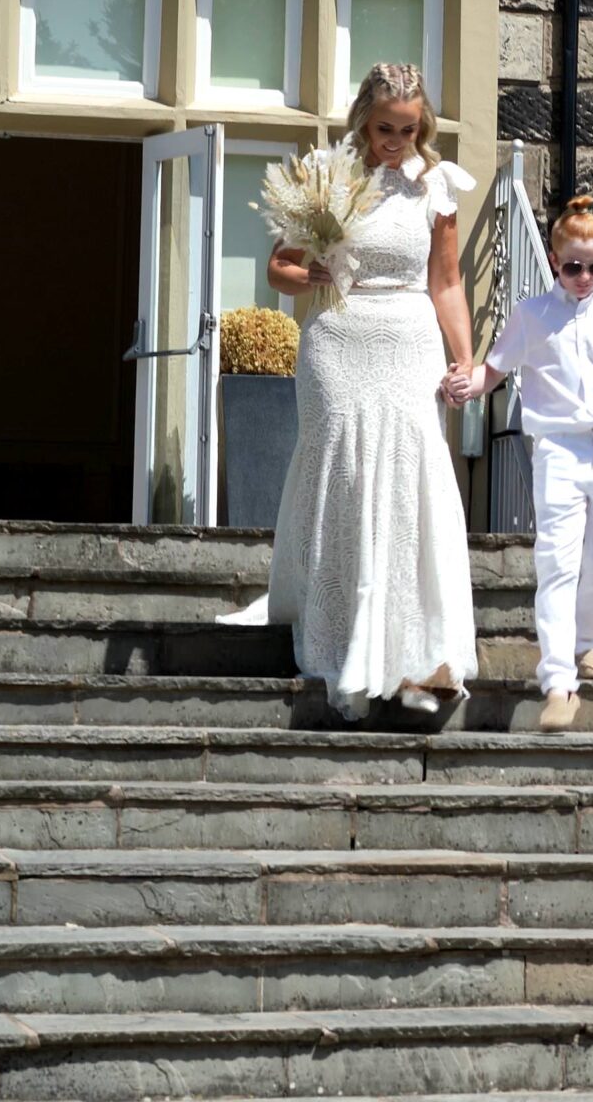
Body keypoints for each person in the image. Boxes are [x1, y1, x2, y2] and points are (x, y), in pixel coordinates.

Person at [224, 63, 479, 720]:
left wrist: (465, 358)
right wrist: (309, 270)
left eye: (408, 128)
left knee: (407, 478)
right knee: (347, 471)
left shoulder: (435, 187)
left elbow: (446, 282)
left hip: (410, 340)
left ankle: (420, 650)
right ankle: (342, 634)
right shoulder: (325, 177)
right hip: (338, 335)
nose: (395, 140)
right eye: (384, 127)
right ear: (363, 120)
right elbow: (280, 268)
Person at [450, 196, 593, 731]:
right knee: (557, 563)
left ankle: (582, 639)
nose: (584, 276)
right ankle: (558, 682)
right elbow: (493, 372)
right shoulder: (531, 315)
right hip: (557, 450)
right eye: (573, 265)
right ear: (554, 260)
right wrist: (465, 385)